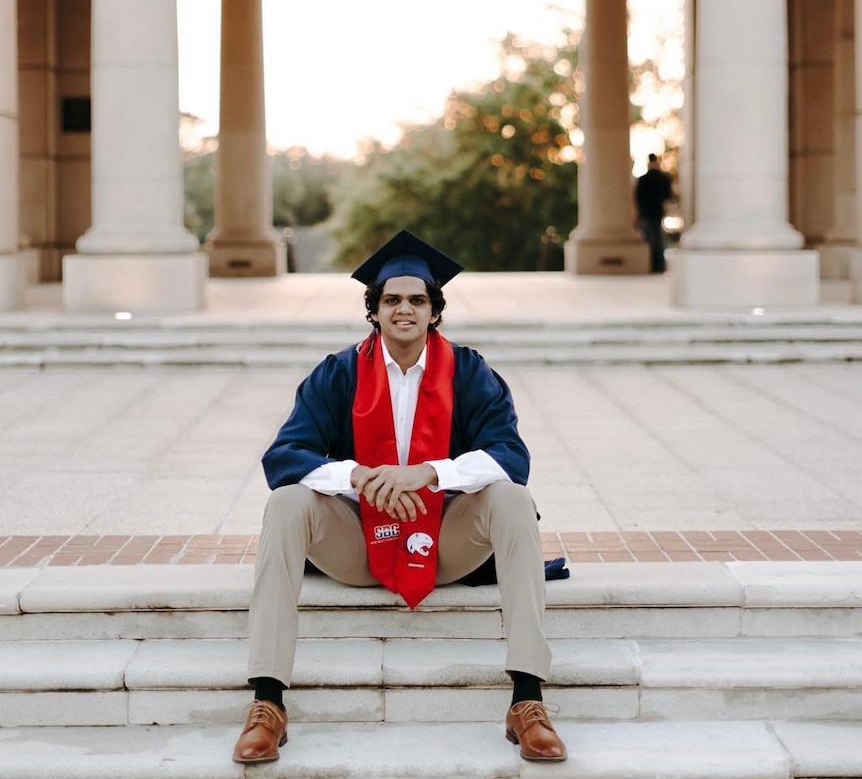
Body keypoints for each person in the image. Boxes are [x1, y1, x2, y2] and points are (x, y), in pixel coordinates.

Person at [232, 230, 567, 765]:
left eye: (417, 300)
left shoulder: (469, 372)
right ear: (375, 310)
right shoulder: (340, 373)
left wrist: (428, 474)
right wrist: (361, 476)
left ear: (435, 311)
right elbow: (285, 455)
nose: (404, 309)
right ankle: (267, 704)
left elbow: (511, 456)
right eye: (392, 299)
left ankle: (527, 699)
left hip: (443, 541)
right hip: (358, 543)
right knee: (286, 503)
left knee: (511, 499)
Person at [634, 153, 674, 273]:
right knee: (658, 239)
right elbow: (667, 198)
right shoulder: (663, 178)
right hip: (657, 212)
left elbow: (637, 198)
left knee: (648, 240)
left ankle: (650, 265)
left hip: (645, 213)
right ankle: (659, 266)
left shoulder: (643, 179)